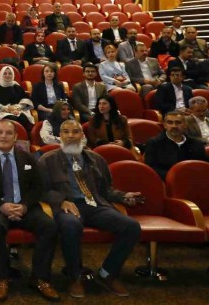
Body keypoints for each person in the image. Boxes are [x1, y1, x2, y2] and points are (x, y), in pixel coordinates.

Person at [38, 120, 142, 299]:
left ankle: (107, 273)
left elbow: (106, 190)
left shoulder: (96, 159)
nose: (70, 136)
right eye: (66, 132)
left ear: (82, 135)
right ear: (60, 136)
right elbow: (40, 190)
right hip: (68, 205)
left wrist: (123, 196)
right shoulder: (47, 160)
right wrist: (61, 201)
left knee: (131, 226)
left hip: (95, 204)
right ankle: (75, 277)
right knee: (71, 226)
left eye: (75, 132)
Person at [0, 119, 60, 301]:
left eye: (8, 133)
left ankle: (40, 278)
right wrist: (1, 206)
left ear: (15, 137)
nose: (4, 136)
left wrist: (24, 206)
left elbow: (38, 187)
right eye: (0, 132)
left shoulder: (28, 158)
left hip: (24, 207)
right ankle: (2, 277)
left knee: (49, 226)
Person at [144, 110, 209, 180]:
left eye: (178, 122)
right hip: (166, 181)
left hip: (192, 180)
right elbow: (152, 168)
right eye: (170, 122)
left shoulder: (196, 143)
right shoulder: (154, 143)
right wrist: (174, 177)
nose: (174, 126)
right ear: (165, 125)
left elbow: (202, 166)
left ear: (185, 125)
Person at [0, 65, 34, 131]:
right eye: (5, 73)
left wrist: (17, 108)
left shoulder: (17, 87)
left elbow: (25, 99)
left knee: (23, 118)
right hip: (4, 111)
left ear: (13, 75)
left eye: (10, 73)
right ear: (1, 75)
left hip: (19, 110)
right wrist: (8, 109)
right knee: (12, 119)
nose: (7, 75)